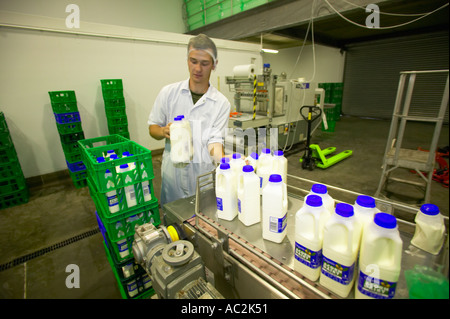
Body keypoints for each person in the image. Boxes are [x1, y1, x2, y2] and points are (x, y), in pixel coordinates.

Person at [148, 34, 231, 206]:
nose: (198, 69)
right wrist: (163, 131)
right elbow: (153, 128)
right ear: (187, 60)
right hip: (173, 177)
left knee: (203, 220)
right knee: (172, 222)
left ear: (214, 65)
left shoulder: (221, 103)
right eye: (193, 61)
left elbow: (214, 142)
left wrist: (224, 160)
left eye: (204, 63)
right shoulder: (168, 93)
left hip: (202, 177)